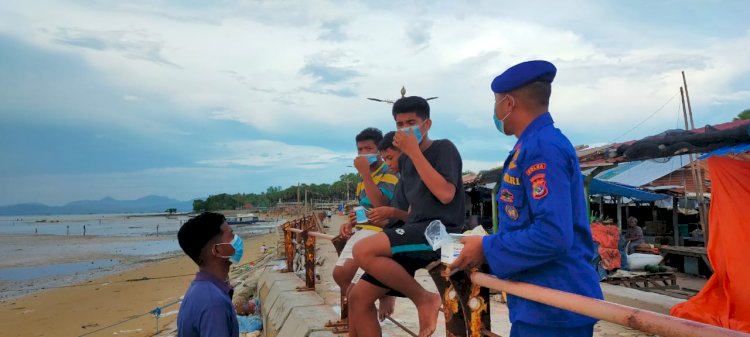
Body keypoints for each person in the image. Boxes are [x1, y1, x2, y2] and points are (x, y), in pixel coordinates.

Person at [451, 60, 603, 337]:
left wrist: (486, 246)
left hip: (556, 302)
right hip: (539, 299)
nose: (495, 111)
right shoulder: (530, 146)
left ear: (508, 103)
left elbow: (553, 234)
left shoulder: (543, 148)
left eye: (496, 102)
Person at [349, 96, 465, 337]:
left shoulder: (443, 148)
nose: (404, 129)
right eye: (399, 124)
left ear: (427, 124)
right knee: (358, 297)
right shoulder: (407, 164)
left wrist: (414, 152)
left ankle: (424, 299)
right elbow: (397, 211)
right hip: (416, 231)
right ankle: (420, 298)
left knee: (362, 250)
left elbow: (445, 194)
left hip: (441, 232)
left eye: (410, 122)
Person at [333, 128, 400, 323]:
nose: (363, 154)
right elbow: (363, 208)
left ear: (379, 151)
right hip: (364, 230)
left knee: (358, 292)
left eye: (368, 148)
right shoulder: (362, 180)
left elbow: (380, 204)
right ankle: (367, 309)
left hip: (381, 231)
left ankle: (384, 294)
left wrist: (365, 173)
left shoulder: (388, 173)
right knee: (340, 275)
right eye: (359, 149)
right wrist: (350, 222)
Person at [176, 212, 242, 337]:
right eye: (232, 236)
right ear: (217, 250)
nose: (237, 240)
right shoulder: (214, 304)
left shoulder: (199, 290)